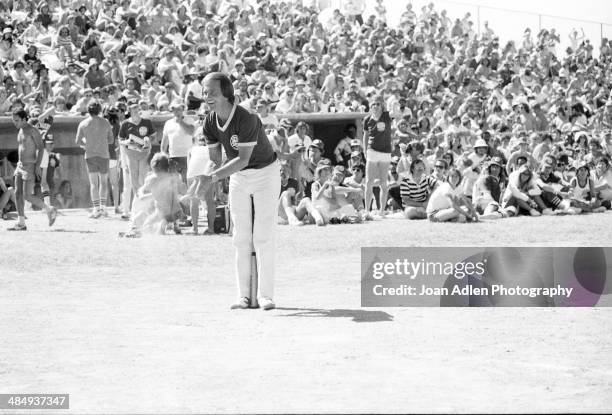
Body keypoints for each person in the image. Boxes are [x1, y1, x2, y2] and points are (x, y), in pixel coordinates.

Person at [195, 72, 280, 311]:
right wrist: (206, 177)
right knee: (241, 238)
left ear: (226, 93)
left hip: (265, 173)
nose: (206, 96)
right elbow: (215, 159)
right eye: (204, 92)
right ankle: (243, 296)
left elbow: (243, 159)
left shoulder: (247, 118)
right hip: (239, 178)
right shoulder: (209, 121)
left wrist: (212, 178)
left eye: (211, 91)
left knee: (263, 236)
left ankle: (265, 296)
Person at [7, 109, 57, 231]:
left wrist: (37, 166)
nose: (15, 123)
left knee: (27, 195)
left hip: (30, 166)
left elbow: (40, 148)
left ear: (24, 119)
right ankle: (21, 223)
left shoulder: (33, 131)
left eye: (17, 120)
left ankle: (49, 209)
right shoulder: (20, 130)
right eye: (13, 120)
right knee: (18, 194)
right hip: (20, 165)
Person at [75, 101, 114, 218]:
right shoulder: (106, 122)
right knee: (103, 182)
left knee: (93, 183)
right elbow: (111, 140)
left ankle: (96, 209)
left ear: (88, 110)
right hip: (104, 155)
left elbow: (77, 141)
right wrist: (101, 142)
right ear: (99, 110)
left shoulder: (83, 123)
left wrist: (86, 145)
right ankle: (103, 208)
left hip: (90, 155)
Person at [363, 94, 393, 217]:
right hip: (372, 151)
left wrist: (381, 101)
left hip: (386, 152)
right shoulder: (367, 119)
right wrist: (365, 150)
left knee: (383, 182)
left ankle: (382, 210)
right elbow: (365, 136)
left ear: (382, 106)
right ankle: (367, 210)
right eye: (373, 104)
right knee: (369, 181)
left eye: (378, 104)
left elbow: (387, 108)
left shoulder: (386, 116)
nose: (375, 106)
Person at [118, 101, 155, 196]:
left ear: (139, 110)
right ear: (129, 111)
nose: (135, 111)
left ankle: (144, 198)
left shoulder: (147, 122)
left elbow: (153, 135)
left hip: (144, 153)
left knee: (143, 177)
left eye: (136, 109)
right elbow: (120, 139)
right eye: (132, 109)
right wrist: (126, 142)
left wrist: (148, 140)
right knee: (133, 178)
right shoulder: (125, 124)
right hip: (131, 154)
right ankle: (137, 200)